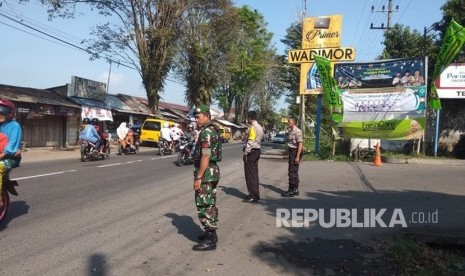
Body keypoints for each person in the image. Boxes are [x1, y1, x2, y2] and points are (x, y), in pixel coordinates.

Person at [192, 105, 221, 251]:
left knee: (204, 203)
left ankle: (210, 240)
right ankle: (211, 234)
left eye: (199, 117)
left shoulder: (207, 133)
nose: (196, 120)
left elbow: (206, 155)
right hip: (211, 170)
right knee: (209, 202)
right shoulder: (211, 130)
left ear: (207, 117)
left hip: (207, 172)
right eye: (195, 117)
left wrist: (198, 177)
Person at [0, 99, 22, 192]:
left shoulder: (14, 126)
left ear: (9, 113)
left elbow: (12, 144)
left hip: (11, 157)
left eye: (2, 112)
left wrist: (3, 155)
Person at [242, 111, 264, 203]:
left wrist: (246, 153)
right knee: (254, 174)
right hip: (257, 151)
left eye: (248, 117)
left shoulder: (253, 128)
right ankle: (254, 194)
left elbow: (250, 142)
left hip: (251, 152)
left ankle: (253, 196)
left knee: (250, 175)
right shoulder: (259, 127)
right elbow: (261, 138)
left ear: (250, 118)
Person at [282, 116, 303, 197]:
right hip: (292, 152)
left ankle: (291, 190)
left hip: (295, 152)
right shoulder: (291, 131)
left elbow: (300, 143)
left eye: (289, 122)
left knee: (292, 171)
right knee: (294, 171)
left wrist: (297, 157)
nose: (288, 123)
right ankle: (295, 189)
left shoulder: (297, 131)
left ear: (293, 122)